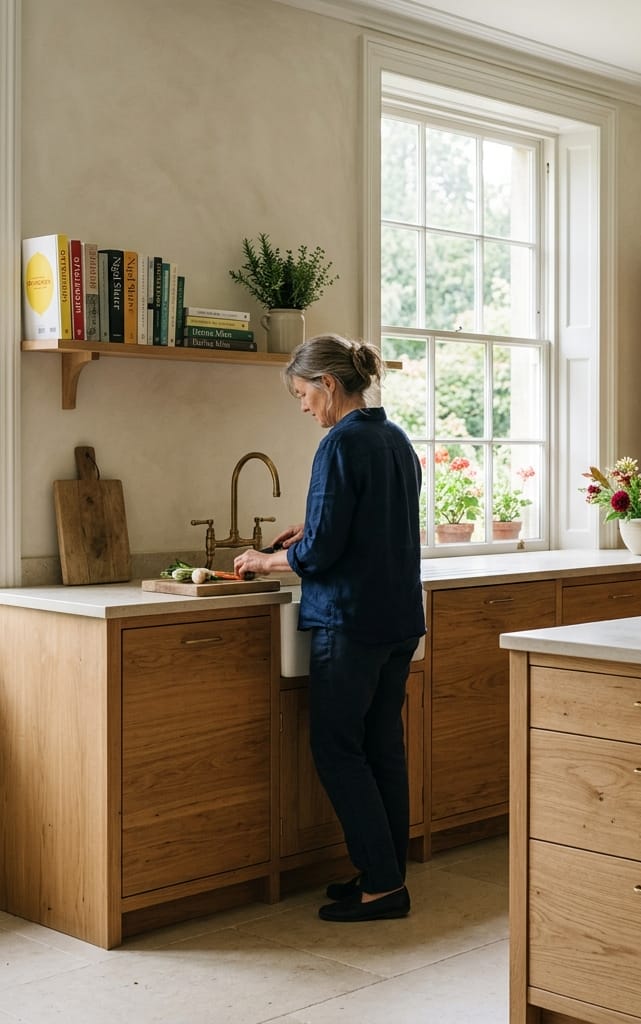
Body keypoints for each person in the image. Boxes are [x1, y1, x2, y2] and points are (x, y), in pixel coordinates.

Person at [234, 333, 425, 923]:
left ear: (329, 384)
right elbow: (371, 523)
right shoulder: (394, 438)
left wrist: (264, 559)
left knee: (336, 748)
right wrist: (311, 525)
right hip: (397, 619)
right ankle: (385, 872)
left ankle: (383, 887)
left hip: (351, 621)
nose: (303, 406)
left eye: (303, 394)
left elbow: (320, 555)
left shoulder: (339, 444)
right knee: (381, 746)